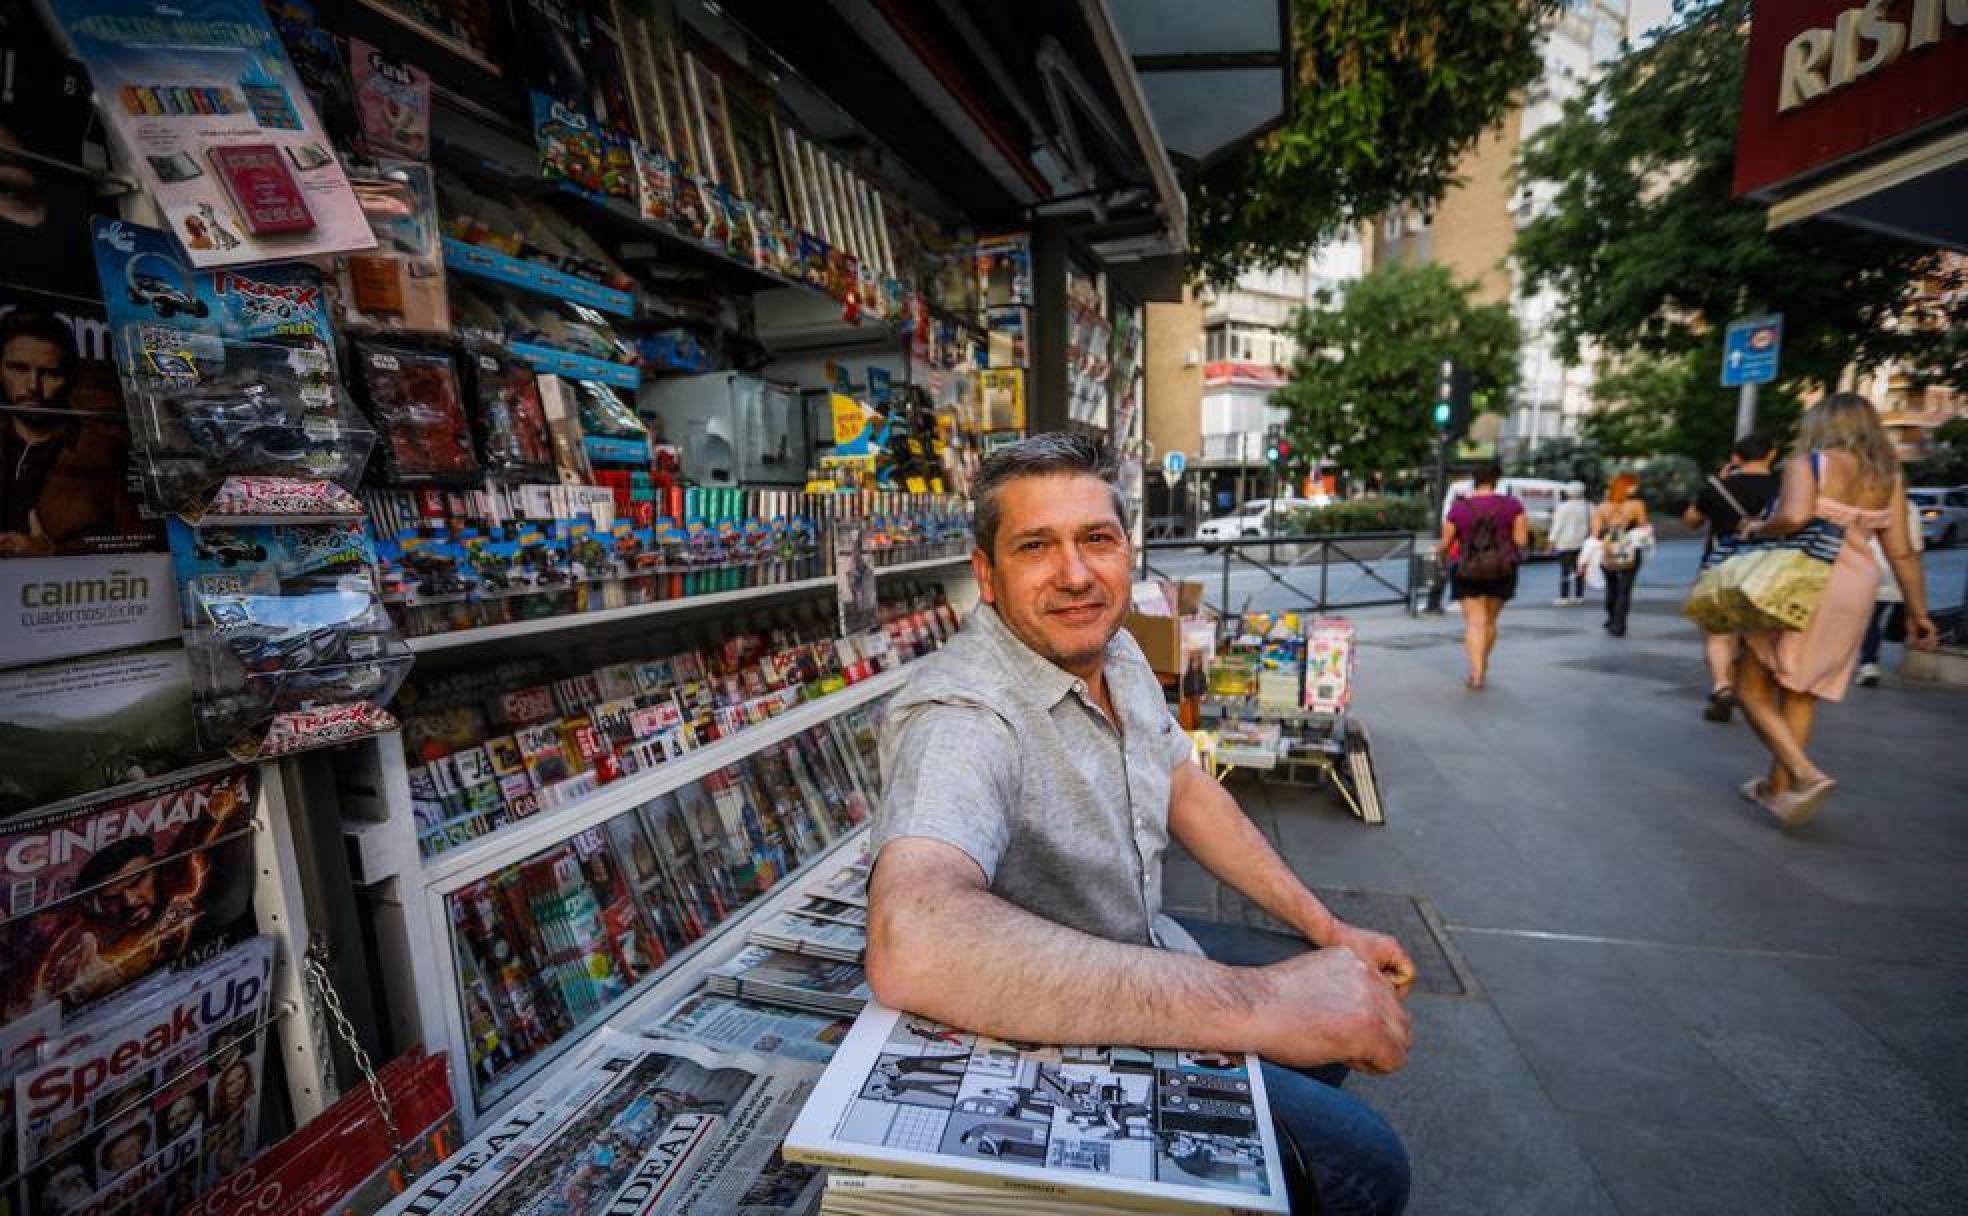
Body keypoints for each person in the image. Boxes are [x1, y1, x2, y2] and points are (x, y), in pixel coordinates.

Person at [868, 434, 1414, 1216]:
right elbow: (913, 938)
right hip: (1053, 1031)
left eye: (1097, 539)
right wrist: (1262, 1004)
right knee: (1370, 1165)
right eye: (1035, 547)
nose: (1077, 574)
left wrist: (1330, 929)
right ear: (986, 576)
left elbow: (1185, 788)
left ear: (1128, 548)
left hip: (1144, 939)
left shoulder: (1110, 647)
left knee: (1336, 1017)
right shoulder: (961, 714)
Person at [1735, 394, 1939, 827]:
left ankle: (1806, 776)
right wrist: (1919, 612)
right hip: (1854, 586)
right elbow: (1902, 553)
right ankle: (1777, 791)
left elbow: (1792, 517)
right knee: (1801, 690)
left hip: (1799, 580)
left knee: (1751, 687)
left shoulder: (1808, 464)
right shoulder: (1888, 477)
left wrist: (1756, 528)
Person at [1683, 434, 1781, 721]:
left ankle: (1722, 686)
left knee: (1718, 633)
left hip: (1721, 565)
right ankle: (1758, 689)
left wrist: (1719, 487)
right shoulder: (1785, 487)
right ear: (1771, 454)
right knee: (1759, 632)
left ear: (1736, 458)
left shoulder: (1718, 487)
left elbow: (1692, 521)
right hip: (1769, 566)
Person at [1441, 462, 1529, 690]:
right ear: (1497, 480)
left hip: (1467, 568)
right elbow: (1521, 541)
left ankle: (1476, 673)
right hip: (1502, 568)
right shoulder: (1513, 505)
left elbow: (1446, 542)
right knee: (1489, 622)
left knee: (1474, 622)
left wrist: (1439, 552)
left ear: (1474, 479)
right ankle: (1483, 664)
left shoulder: (1459, 508)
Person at [1856, 494, 1924, 687]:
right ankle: (1872, 661)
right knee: (1882, 618)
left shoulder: (1862, 500)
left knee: (1870, 620)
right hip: (1897, 573)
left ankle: (1868, 663)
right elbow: (1915, 548)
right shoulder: (1909, 507)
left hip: (1867, 568)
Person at [1590, 473, 1651, 637]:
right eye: (1633, 485)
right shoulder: (1637, 504)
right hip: (1630, 549)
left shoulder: (1602, 507)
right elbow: (1643, 527)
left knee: (1611, 585)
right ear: (1627, 487)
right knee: (1625, 588)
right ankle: (1618, 623)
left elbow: (1596, 533)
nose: (1636, 488)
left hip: (1608, 549)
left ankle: (1611, 617)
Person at [1548, 481, 1590, 605]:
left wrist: (1551, 542)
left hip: (1565, 543)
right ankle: (1579, 596)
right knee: (1580, 569)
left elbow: (1557, 526)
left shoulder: (1562, 507)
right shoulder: (1589, 506)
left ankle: (1564, 597)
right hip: (1583, 543)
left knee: (1565, 570)